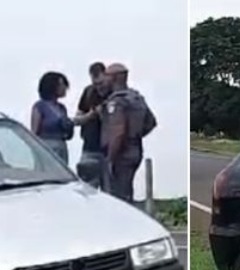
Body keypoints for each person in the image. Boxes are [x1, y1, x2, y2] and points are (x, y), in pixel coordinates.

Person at [98, 63, 157, 203]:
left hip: (121, 153)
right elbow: (151, 122)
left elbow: (118, 132)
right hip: (135, 149)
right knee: (126, 190)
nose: (104, 79)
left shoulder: (117, 101)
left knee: (116, 196)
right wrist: (135, 135)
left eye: (106, 75)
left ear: (114, 78)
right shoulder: (136, 98)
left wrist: (111, 158)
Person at [30, 71, 93, 165]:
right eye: (62, 85)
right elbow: (34, 132)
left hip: (61, 146)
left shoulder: (61, 108)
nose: (65, 88)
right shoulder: (40, 106)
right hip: (46, 147)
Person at [75, 62, 108, 187]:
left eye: (101, 83)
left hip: (109, 149)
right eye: (95, 84)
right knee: (87, 188)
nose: (99, 87)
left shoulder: (114, 93)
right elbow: (77, 119)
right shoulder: (88, 92)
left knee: (110, 191)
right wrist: (91, 115)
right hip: (90, 146)